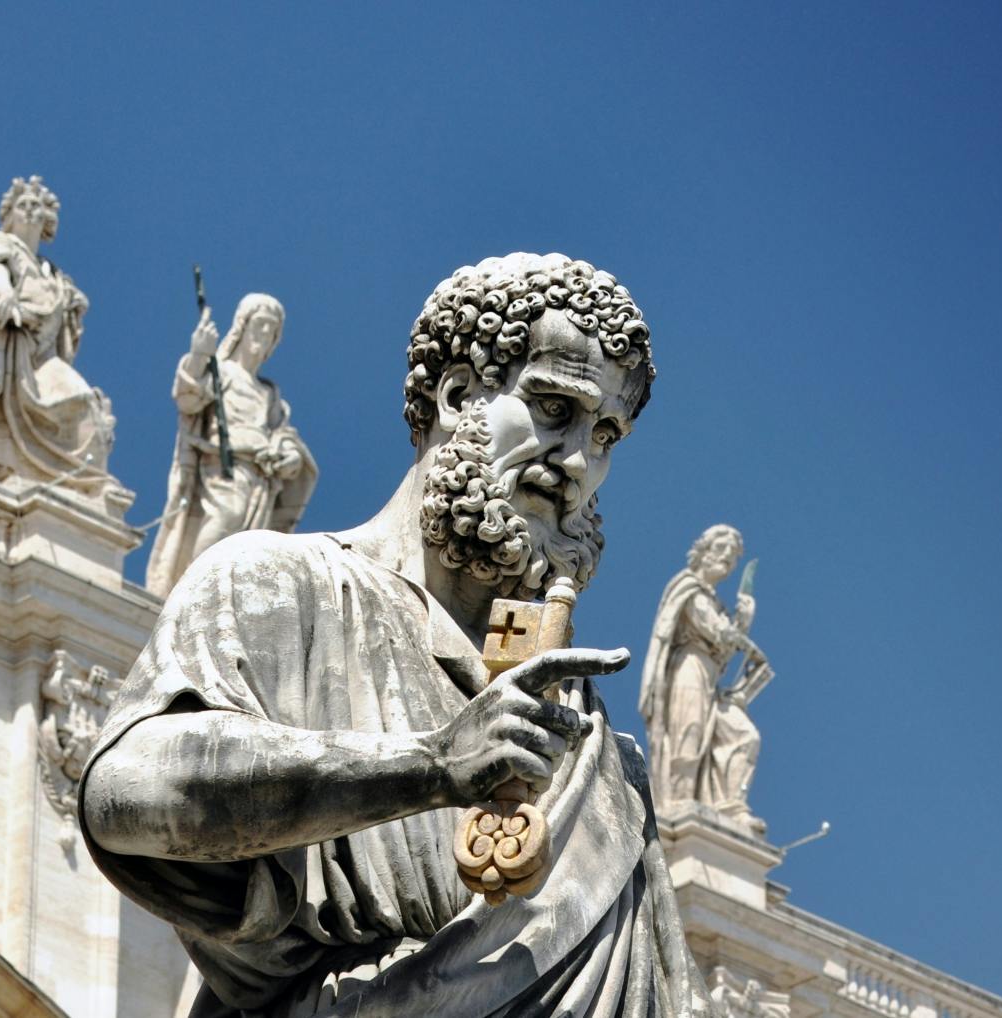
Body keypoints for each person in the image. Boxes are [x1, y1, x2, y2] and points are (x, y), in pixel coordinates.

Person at [80, 253, 714, 1016]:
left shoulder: (600, 755)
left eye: (606, 435)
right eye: (554, 410)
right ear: (455, 395)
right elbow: (125, 793)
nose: (576, 462)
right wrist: (430, 764)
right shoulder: (283, 585)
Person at [0, 176, 122, 507]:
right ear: (10, 215)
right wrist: (4, 295)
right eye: (23, 205)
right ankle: (24, 476)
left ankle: (84, 491)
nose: (31, 210)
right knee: (72, 406)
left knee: (85, 408)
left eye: (37, 206)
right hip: (15, 353)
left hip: (45, 357)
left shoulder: (53, 273)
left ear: (47, 218)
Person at [144, 293, 318, 598]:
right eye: (261, 325)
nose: (265, 335)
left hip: (261, 481)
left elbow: (283, 434)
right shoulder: (220, 371)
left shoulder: (269, 393)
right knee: (225, 519)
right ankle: (192, 592)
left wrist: (289, 455)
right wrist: (199, 354)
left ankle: (222, 598)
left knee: (248, 549)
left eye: (272, 331)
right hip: (223, 470)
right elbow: (188, 398)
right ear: (243, 326)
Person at [639, 524, 771, 833]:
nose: (728, 559)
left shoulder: (716, 604)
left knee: (744, 735)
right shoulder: (687, 587)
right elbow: (714, 629)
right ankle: (678, 803)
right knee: (689, 730)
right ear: (703, 551)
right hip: (689, 668)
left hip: (710, 680)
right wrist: (741, 633)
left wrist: (742, 623)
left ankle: (729, 807)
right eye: (722, 550)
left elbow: (724, 651)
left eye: (733, 556)